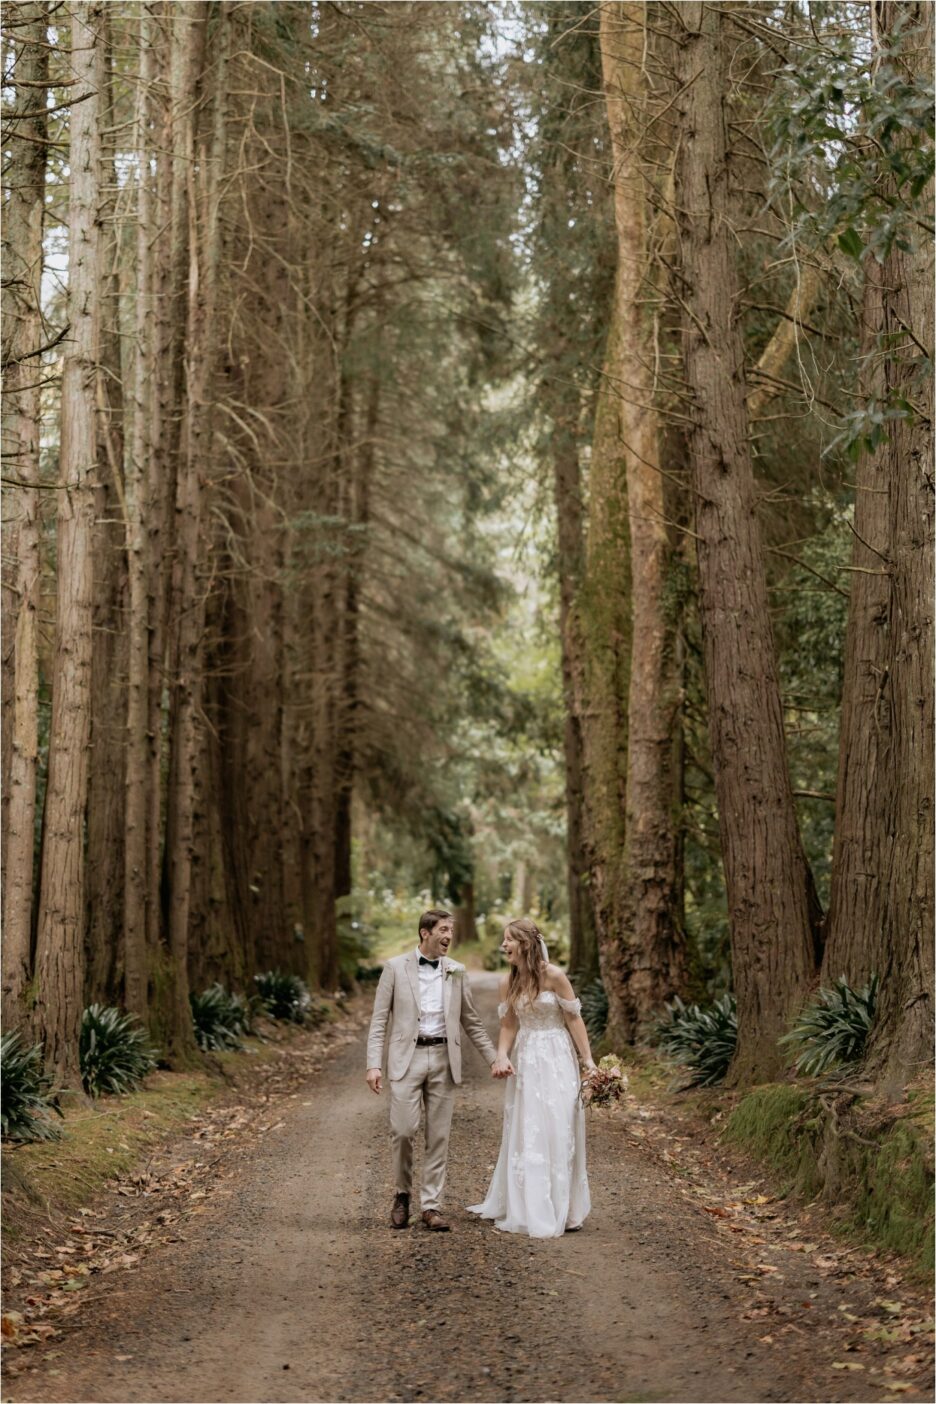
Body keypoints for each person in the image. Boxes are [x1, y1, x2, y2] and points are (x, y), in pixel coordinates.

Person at [366, 908, 509, 1232]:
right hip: (407, 1058)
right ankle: (402, 1194)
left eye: (451, 931)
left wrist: (494, 1058)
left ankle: (431, 1206)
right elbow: (378, 1021)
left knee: (438, 1136)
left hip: (445, 1057)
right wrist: (373, 1064)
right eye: (443, 930)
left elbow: (470, 1019)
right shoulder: (395, 968)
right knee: (403, 1131)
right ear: (425, 932)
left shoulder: (456, 971)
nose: (448, 936)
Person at [468, 917, 595, 1238]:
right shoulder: (506, 982)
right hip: (527, 1059)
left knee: (560, 1124)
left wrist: (588, 1061)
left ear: (525, 943)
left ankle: (564, 1208)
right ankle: (529, 1204)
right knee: (529, 1127)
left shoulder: (554, 976)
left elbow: (573, 1019)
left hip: (556, 1056)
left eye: (508, 940)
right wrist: (501, 1055)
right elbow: (509, 1024)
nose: (503, 946)